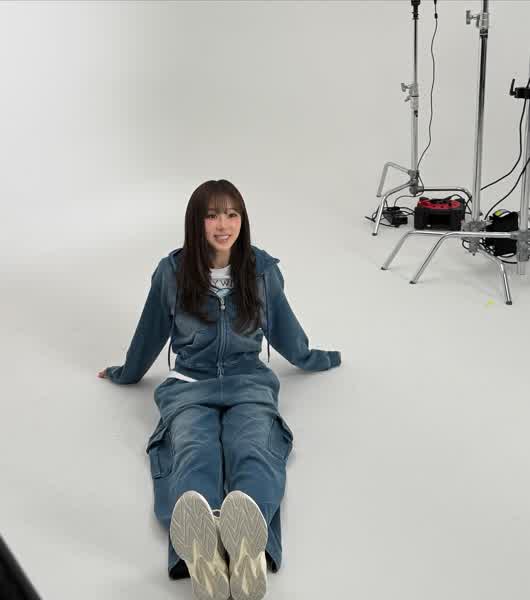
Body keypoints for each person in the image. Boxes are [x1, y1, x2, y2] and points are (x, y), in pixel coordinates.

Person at [98, 179, 341, 600]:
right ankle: (203, 546)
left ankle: (248, 543)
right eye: (212, 215)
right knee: (195, 450)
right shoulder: (172, 272)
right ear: (197, 222)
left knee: (254, 447)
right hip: (190, 386)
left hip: (249, 383)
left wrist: (316, 358)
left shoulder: (262, 270)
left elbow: (285, 329)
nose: (223, 224)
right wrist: (126, 373)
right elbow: (150, 331)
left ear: (242, 220)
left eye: (231, 214)